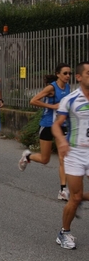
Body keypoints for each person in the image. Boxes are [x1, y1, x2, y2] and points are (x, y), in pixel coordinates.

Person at [18, 63, 71, 201]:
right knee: (45, 159)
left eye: (69, 74)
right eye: (65, 73)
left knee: (63, 158)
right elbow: (33, 100)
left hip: (61, 126)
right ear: (58, 74)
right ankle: (28, 157)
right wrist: (51, 106)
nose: (68, 76)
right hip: (47, 125)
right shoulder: (51, 88)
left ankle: (63, 190)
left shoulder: (68, 87)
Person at [52, 61, 89, 250]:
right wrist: (63, 142)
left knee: (77, 197)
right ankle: (64, 232)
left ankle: (79, 198)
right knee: (74, 198)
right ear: (79, 77)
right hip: (75, 153)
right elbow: (56, 125)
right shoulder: (71, 99)